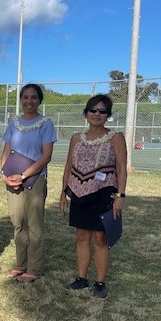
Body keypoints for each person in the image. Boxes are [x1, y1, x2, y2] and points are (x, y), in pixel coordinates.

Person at [60, 94, 127, 299]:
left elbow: (121, 168)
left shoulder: (115, 137)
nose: (97, 114)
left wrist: (120, 196)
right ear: (86, 113)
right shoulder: (76, 138)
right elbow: (69, 166)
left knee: (100, 238)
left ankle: (99, 282)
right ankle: (81, 278)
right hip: (79, 192)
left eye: (102, 111)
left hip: (103, 192)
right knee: (81, 236)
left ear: (108, 115)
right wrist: (63, 192)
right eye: (93, 110)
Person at [1, 83, 57, 283]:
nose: (29, 101)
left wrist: (23, 175)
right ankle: (20, 264)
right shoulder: (13, 123)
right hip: (12, 179)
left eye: (34, 97)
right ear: (21, 99)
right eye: (25, 97)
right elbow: (6, 150)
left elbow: (46, 156)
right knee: (18, 223)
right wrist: (4, 173)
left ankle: (34, 267)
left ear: (39, 100)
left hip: (35, 179)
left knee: (34, 224)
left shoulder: (46, 124)